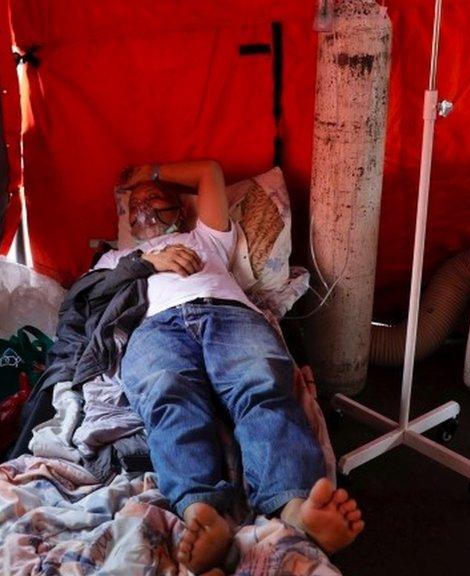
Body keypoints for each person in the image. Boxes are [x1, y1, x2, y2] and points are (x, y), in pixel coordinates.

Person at [95, 160, 364, 574]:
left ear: (181, 212)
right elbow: (87, 299)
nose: (143, 207)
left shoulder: (205, 237)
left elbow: (211, 174)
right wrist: (151, 264)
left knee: (260, 385)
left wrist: (150, 174)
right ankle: (203, 515)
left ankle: (294, 507)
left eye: (156, 200)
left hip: (229, 314)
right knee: (167, 394)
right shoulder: (118, 258)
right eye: (135, 206)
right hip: (154, 328)